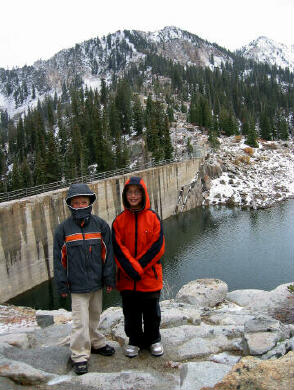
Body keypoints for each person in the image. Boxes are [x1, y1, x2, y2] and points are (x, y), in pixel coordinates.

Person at [53, 183, 116, 375]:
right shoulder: (63, 229)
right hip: (77, 285)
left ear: (90, 203)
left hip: (96, 282)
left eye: (84, 202)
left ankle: (96, 342)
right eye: (76, 202)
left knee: (95, 315)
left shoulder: (101, 226)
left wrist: (109, 279)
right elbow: (59, 260)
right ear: (71, 205)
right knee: (80, 321)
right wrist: (62, 284)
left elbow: (108, 255)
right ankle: (79, 355)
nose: (80, 205)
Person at [112, 176, 165, 358]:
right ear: (125, 195)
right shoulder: (119, 221)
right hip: (128, 279)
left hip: (148, 277)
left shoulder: (153, 217)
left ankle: (153, 339)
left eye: (137, 192)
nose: (133, 196)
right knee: (131, 313)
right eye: (130, 192)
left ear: (143, 194)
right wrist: (132, 269)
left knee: (152, 312)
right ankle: (134, 340)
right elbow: (118, 249)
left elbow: (157, 247)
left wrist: (138, 268)